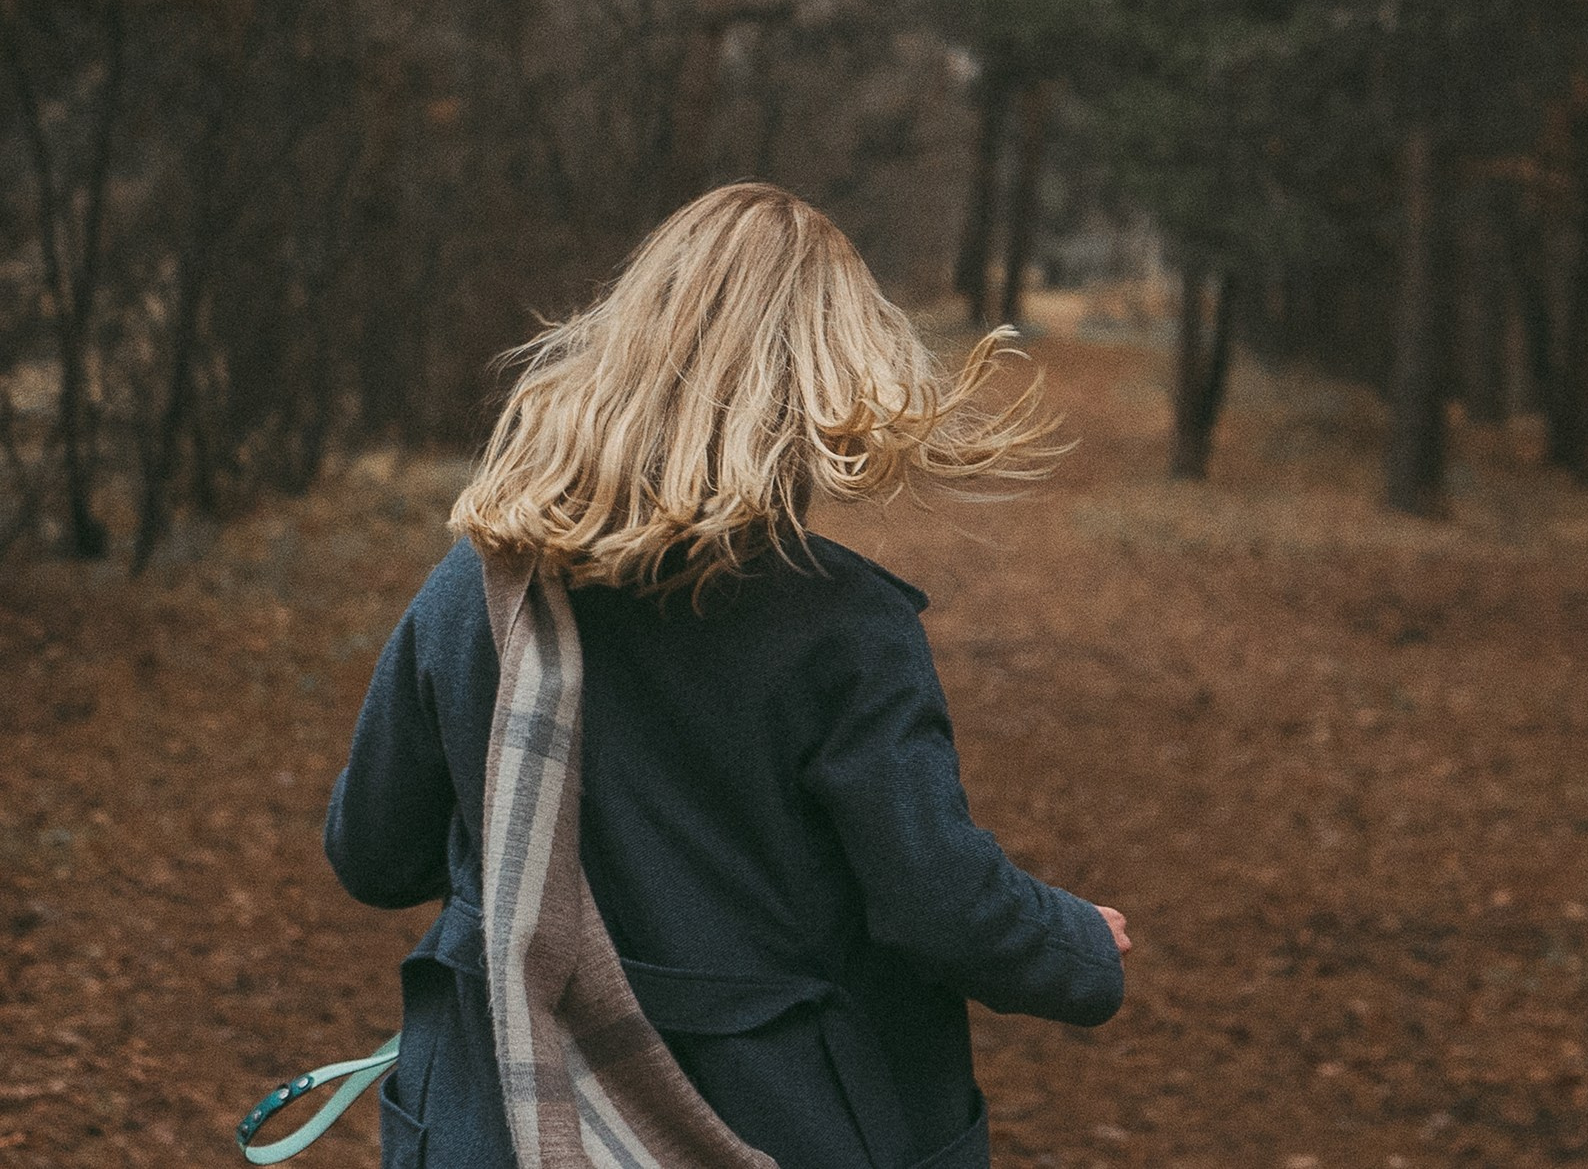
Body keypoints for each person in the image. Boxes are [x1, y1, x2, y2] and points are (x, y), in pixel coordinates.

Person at [323, 182, 1131, 1169]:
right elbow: (935, 902)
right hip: (777, 1124)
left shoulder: (481, 591)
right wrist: (1076, 943)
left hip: (504, 1121)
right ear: (829, 380)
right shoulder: (846, 631)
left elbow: (373, 854)